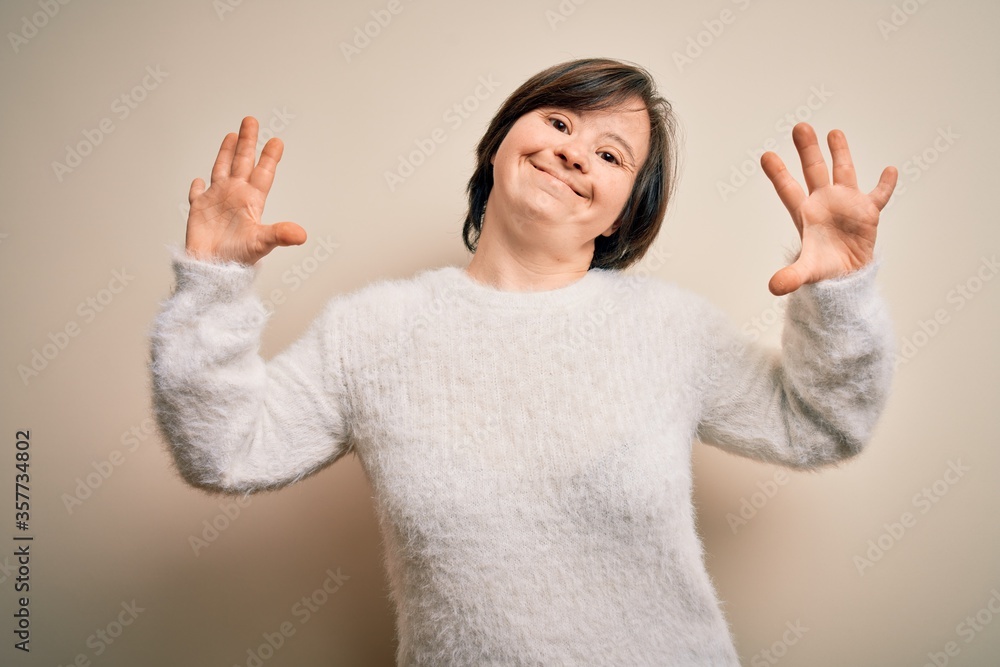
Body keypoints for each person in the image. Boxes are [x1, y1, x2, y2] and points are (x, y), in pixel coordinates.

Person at [149, 58, 897, 665]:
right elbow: (225, 449)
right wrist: (213, 283)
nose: (574, 150)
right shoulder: (371, 331)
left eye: (610, 155)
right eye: (560, 121)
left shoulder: (668, 329)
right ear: (500, 143)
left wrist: (839, 288)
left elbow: (821, 425)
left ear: (623, 214)